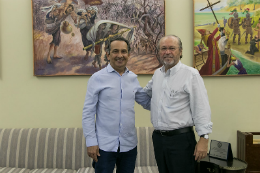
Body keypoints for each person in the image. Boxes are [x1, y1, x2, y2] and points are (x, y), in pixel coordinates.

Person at [143, 35, 213, 173]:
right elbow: (145, 95)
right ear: (158, 52)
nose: (167, 52)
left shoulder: (191, 74)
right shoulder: (157, 74)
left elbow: (201, 107)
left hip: (181, 141)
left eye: (172, 48)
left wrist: (204, 139)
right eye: (163, 48)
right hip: (158, 139)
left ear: (180, 51)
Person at [82, 37, 151, 173]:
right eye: (115, 51)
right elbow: (88, 112)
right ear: (108, 54)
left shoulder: (133, 78)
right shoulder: (97, 78)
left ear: (128, 54)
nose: (120, 55)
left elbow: (147, 102)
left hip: (129, 146)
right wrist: (91, 141)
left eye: (124, 51)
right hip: (104, 147)